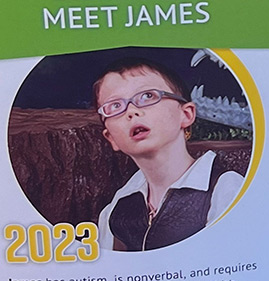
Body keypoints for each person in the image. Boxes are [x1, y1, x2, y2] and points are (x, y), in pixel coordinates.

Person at [94, 58, 245, 251]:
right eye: (115, 106)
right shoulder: (117, 206)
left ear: (187, 114)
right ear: (111, 138)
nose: (131, 111)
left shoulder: (226, 190)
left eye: (147, 96)